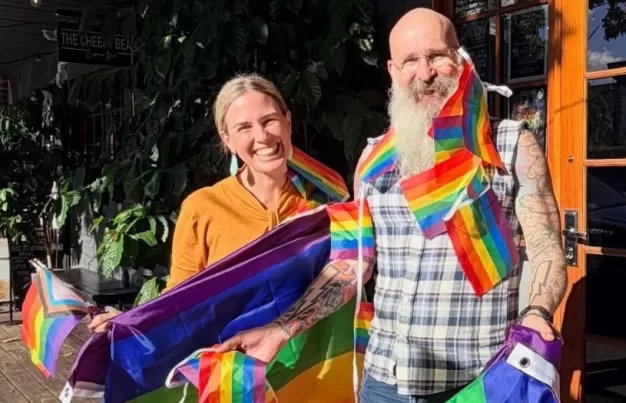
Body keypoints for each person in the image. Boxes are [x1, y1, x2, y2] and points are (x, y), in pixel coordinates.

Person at [215, 8, 567, 402]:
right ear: (392, 70)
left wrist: (538, 311)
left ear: (458, 57)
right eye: (410, 61)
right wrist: (282, 328)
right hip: (386, 383)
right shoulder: (373, 161)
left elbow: (547, 247)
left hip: (479, 380)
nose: (425, 73)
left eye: (435, 56)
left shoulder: (510, 145)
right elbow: (351, 264)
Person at [88, 73, 349, 333]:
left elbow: (349, 279)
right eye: (244, 127)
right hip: (233, 365)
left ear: (288, 122)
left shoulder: (327, 199)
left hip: (315, 367)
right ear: (227, 140)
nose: (262, 136)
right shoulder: (203, 208)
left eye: (269, 120)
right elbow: (179, 301)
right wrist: (129, 323)